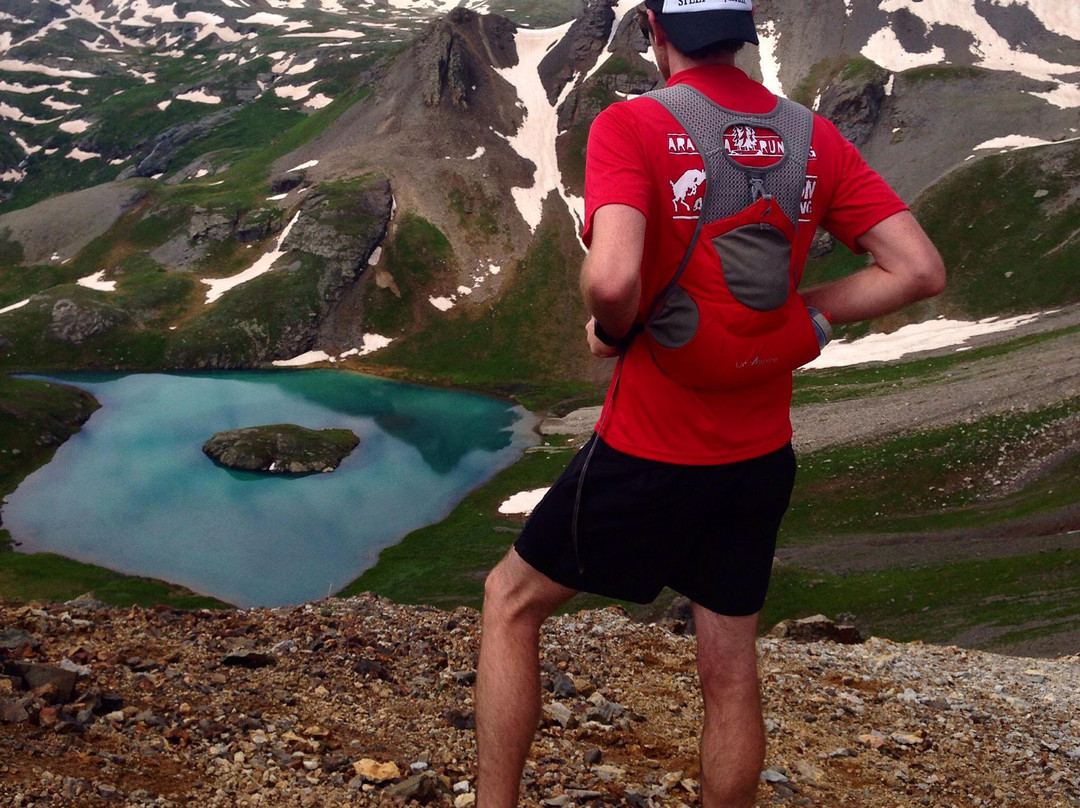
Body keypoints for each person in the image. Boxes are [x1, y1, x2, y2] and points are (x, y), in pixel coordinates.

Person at [475, 1, 945, 806]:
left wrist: (613, 331)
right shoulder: (812, 136)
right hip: (758, 457)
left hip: (650, 449)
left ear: (655, 31)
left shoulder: (634, 127)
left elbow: (614, 280)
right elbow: (918, 269)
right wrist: (806, 317)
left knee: (510, 602)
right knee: (729, 669)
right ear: (744, 27)